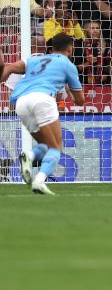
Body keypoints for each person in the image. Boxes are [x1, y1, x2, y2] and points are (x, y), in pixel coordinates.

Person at [1, 33, 85, 195]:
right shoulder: (68, 65)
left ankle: (29, 156)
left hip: (21, 102)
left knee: (46, 145)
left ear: (51, 48)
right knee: (56, 147)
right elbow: (80, 101)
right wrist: (68, 88)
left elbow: (9, 68)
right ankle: (39, 181)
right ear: (70, 48)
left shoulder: (34, 59)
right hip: (42, 99)